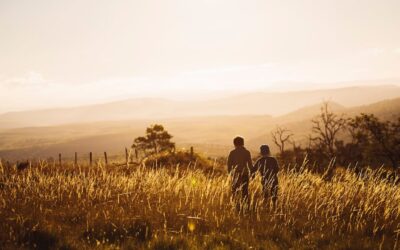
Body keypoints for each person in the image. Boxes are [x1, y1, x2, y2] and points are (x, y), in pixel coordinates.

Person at [227, 136, 253, 211]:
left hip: (235, 175)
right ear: (243, 143)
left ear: (234, 143)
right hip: (245, 174)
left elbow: (229, 165)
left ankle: (236, 208)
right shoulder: (247, 152)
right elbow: (250, 164)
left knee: (235, 192)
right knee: (245, 192)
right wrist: (252, 173)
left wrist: (230, 174)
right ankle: (246, 208)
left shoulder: (232, 153)